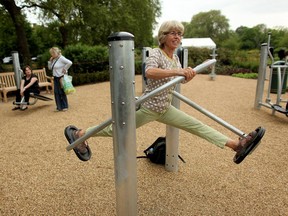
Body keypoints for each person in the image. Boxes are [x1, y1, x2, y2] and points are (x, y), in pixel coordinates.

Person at [64, 20, 262, 163]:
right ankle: (79, 134)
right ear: (163, 36)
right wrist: (178, 71)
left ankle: (236, 145)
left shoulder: (175, 57)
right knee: (116, 130)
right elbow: (149, 72)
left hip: (165, 108)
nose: (177, 36)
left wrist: (186, 76)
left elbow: (174, 81)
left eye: (179, 34)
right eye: (173, 33)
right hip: (150, 107)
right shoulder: (155, 52)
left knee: (197, 125)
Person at [48, 47, 72, 112]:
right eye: (51, 53)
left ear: (57, 52)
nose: (52, 54)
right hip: (55, 77)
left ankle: (65, 106)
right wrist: (50, 61)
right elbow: (50, 68)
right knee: (56, 92)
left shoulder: (61, 58)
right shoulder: (53, 59)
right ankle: (59, 107)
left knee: (62, 92)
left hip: (61, 77)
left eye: (53, 53)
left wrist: (65, 69)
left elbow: (70, 62)